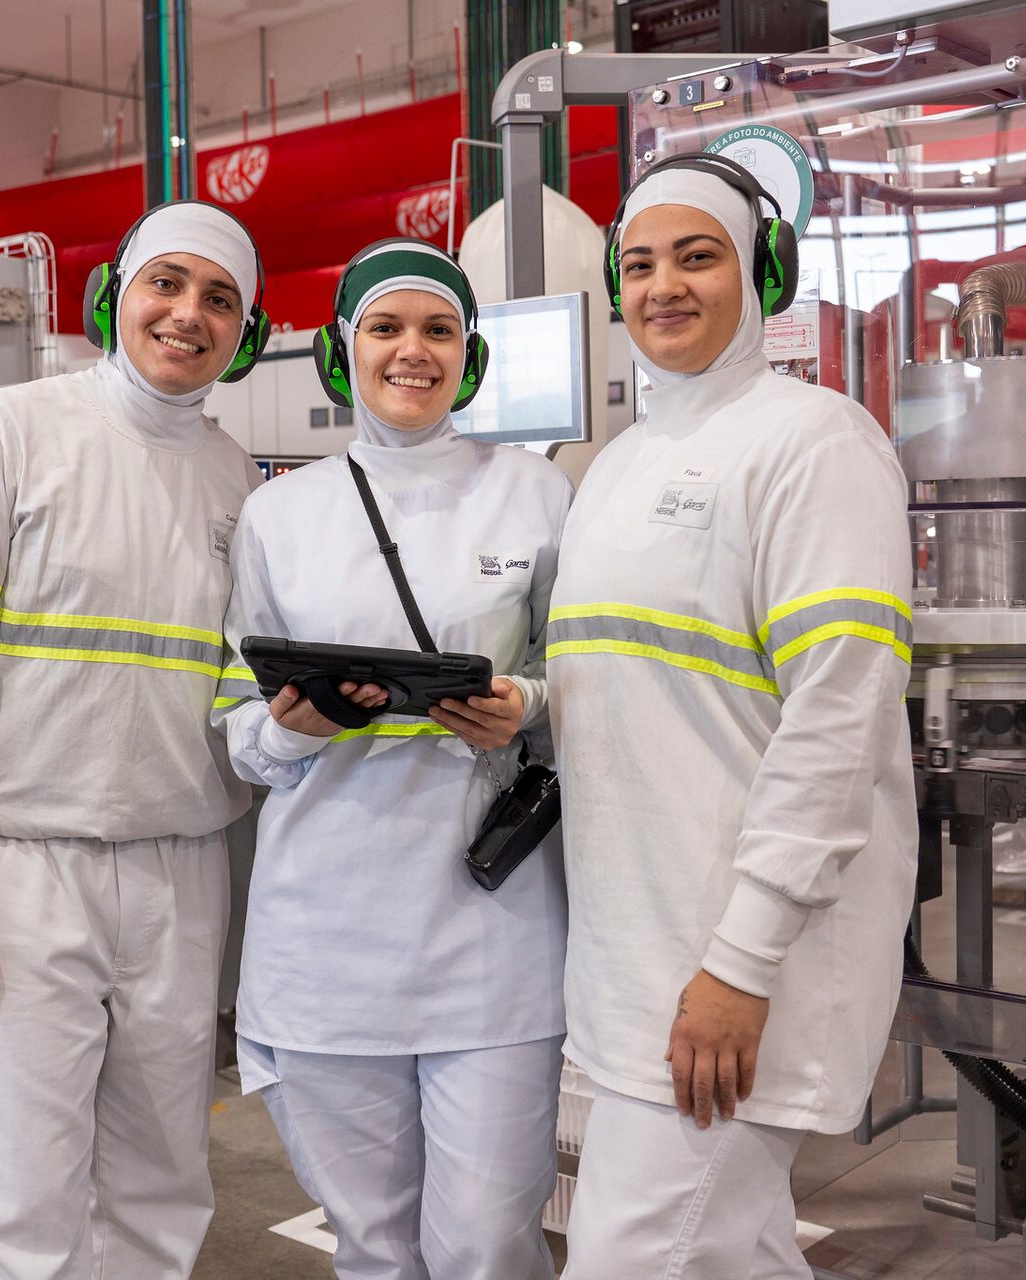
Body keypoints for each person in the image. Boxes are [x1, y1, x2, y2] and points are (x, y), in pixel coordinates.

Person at [0, 201, 269, 1279]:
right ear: (116, 295)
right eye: (167, 284)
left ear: (248, 331)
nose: (188, 315)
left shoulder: (238, 479)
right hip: (26, 869)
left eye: (220, 298)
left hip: (184, 871)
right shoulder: (7, 432)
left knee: (161, 1183)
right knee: (21, 1191)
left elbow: (240, 691)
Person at [548, 155, 918, 1277]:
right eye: (641, 264)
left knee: (634, 1255)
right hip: (633, 952)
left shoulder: (817, 440)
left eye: (696, 257)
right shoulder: (620, 465)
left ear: (760, 274)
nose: (664, 285)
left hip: (735, 963)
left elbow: (836, 719)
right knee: (731, 1251)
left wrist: (742, 962)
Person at [214, 237, 572, 1280]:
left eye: (438, 329)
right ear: (341, 352)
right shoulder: (280, 515)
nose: (412, 351)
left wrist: (527, 704)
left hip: (494, 928)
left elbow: (586, 671)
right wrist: (294, 725)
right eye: (385, 326)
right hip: (327, 933)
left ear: (471, 356)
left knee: (486, 1242)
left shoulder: (535, 493)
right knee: (372, 1242)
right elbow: (231, 718)